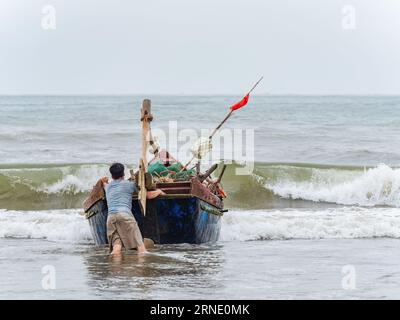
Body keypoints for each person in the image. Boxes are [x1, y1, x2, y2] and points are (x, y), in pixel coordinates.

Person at [101, 162, 163, 255]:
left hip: (110, 218)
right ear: (123, 174)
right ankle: (140, 268)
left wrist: (103, 181)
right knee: (141, 248)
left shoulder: (108, 187)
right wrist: (159, 191)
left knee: (116, 249)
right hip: (125, 216)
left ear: (112, 175)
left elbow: (104, 183)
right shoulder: (130, 185)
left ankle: (113, 268)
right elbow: (147, 196)